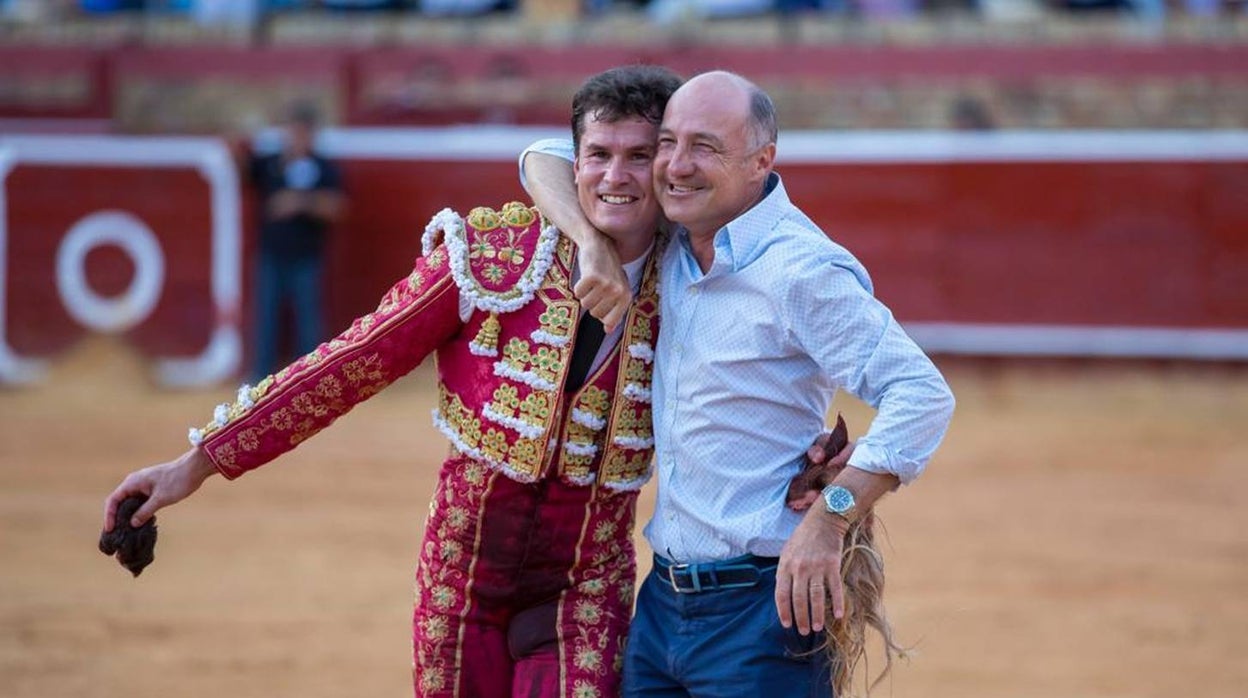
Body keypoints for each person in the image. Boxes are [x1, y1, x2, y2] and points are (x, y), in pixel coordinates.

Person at [102, 65, 683, 698]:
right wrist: (198, 461)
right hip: (462, 587)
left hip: (586, 588)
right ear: (576, 162)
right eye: (598, 155)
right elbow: (347, 365)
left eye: (639, 156)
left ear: (666, 164)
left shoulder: (693, 282)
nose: (615, 176)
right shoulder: (491, 257)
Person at [520, 70, 956, 696]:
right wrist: (590, 241)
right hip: (663, 600)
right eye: (667, 143)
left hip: (767, 609)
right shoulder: (676, 235)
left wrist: (831, 518)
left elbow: (921, 394)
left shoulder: (800, 269)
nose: (676, 165)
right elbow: (544, 157)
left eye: (705, 146)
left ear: (762, 161)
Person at [245, 101, 345, 382]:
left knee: (308, 324)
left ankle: (310, 380)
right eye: (293, 131)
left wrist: (299, 201)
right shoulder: (270, 163)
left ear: (312, 134)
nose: (298, 138)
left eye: (303, 132)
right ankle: (259, 382)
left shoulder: (324, 168)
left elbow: (337, 206)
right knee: (266, 322)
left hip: (306, 256)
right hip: (272, 254)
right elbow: (240, 166)